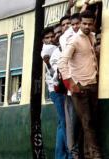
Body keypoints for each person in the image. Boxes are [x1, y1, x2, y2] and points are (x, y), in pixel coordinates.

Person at [58, 10, 102, 158]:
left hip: (93, 85)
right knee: (87, 122)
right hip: (80, 87)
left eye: (89, 23)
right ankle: (96, 155)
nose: (86, 26)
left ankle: (87, 154)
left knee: (90, 122)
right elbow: (62, 62)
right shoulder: (74, 40)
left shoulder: (92, 37)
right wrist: (70, 82)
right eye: (84, 23)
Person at [41, 27, 69, 159]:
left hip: (56, 90)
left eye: (52, 36)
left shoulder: (53, 47)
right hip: (57, 90)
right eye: (47, 38)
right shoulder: (49, 50)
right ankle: (66, 154)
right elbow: (54, 73)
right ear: (43, 40)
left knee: (61, 123)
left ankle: (60, 155)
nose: (51, 39)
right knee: (64, 122)